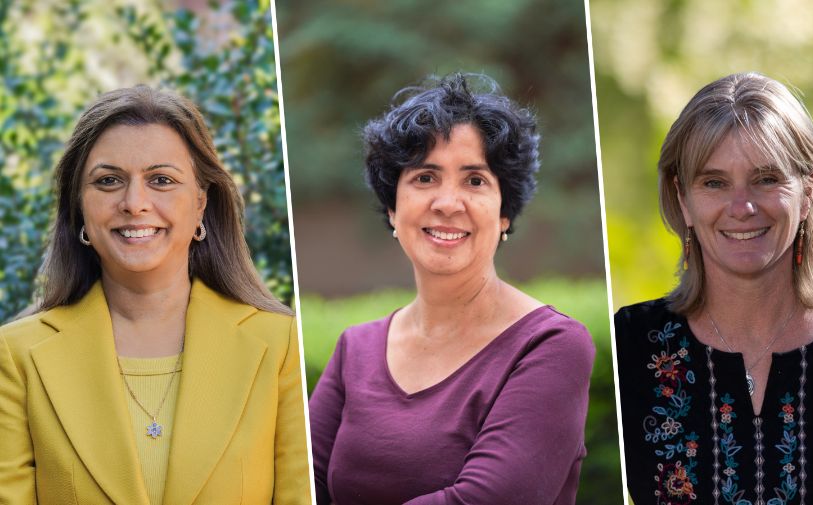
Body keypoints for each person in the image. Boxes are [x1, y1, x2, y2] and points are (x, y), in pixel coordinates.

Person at [0, 86, 311, 505]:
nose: (134, 203)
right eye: (108, 181)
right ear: (79, 206)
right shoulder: (17, 356)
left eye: (161, 180)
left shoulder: (280, 345)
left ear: (201, 202)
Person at [308, 74, 595, 505]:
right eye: (425, 177)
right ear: (392, 207)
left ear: (504, 213)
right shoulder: (357, 348)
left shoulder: (551, 344)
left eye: (475, 181)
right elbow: (298, 483)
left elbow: (489, 499)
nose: (447, 203)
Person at [615, 72, 813, 505]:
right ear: (682, 198)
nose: (742, 208)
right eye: (714, 182)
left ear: (808, 190)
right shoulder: (628, 346)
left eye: (766, 179)